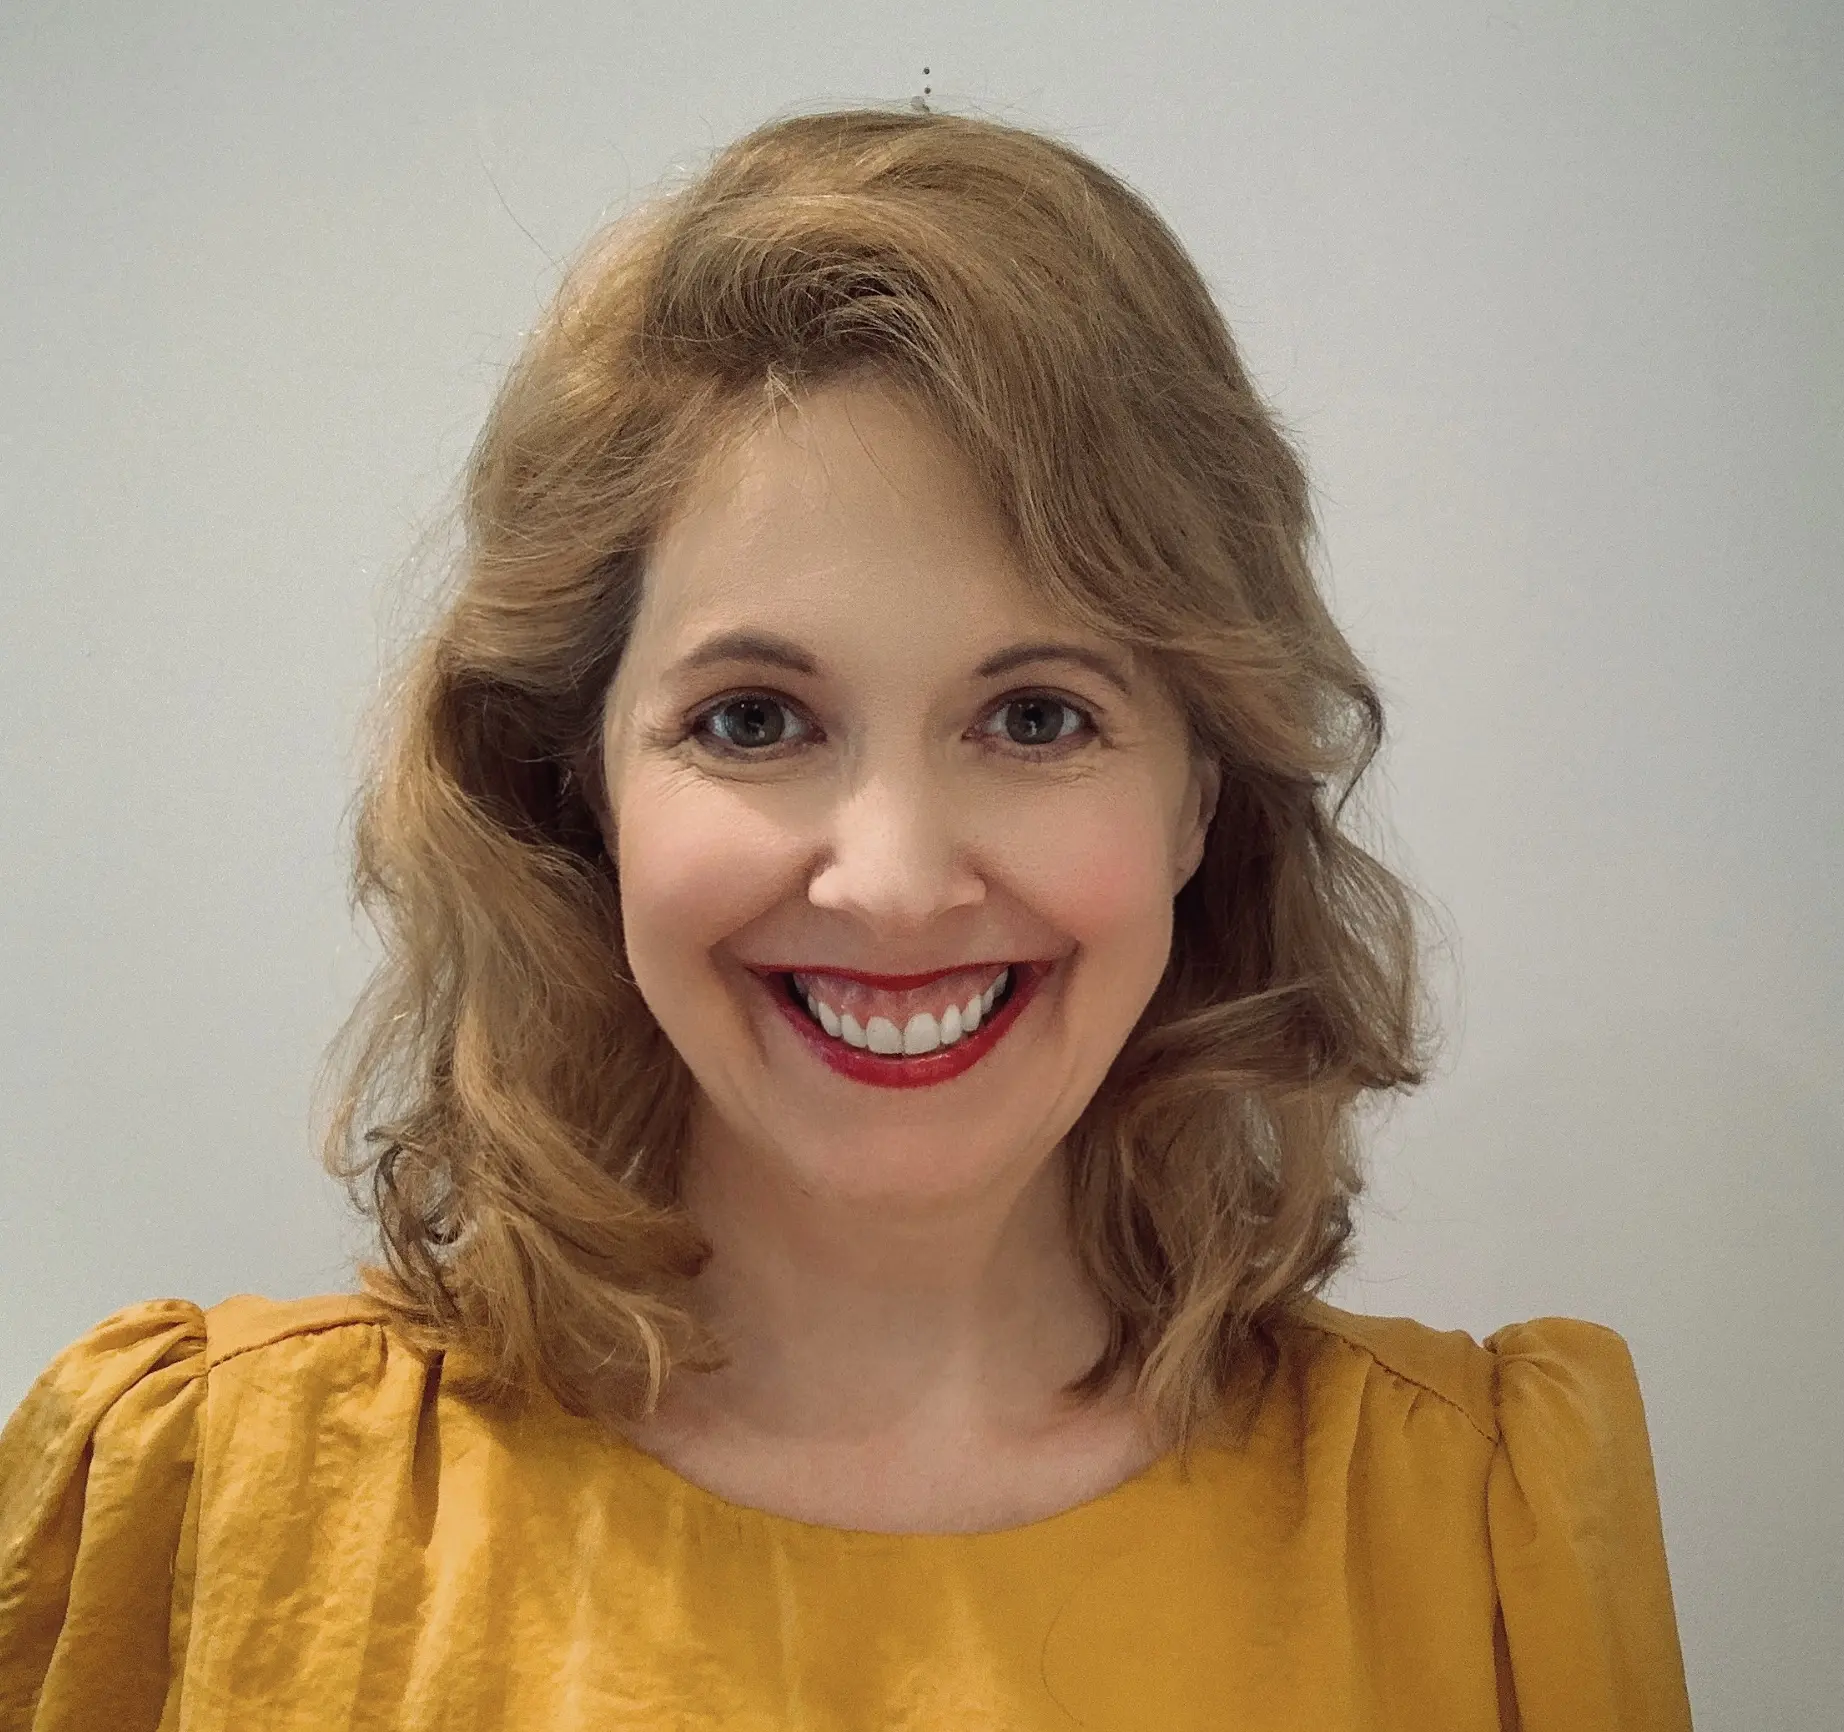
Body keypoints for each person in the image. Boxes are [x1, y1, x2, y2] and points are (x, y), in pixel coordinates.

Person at [0, 106, 1693, 1729]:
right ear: (577, 783)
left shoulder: (1480, 1546)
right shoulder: (199, 1512)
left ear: (1200, 796)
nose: (890, 879)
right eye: (753, 720)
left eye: (1037, 718)